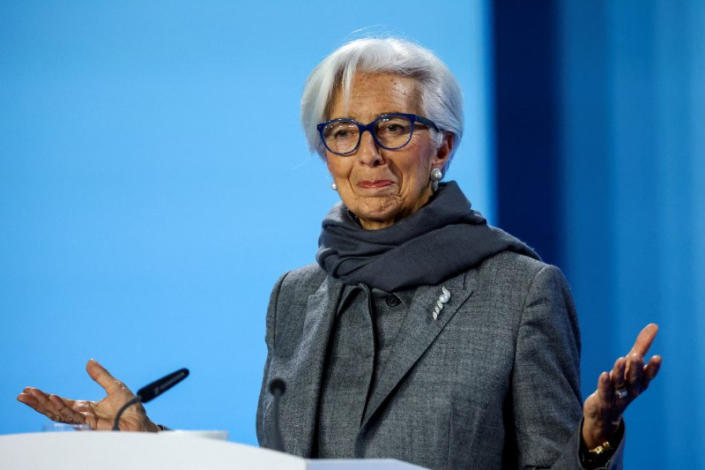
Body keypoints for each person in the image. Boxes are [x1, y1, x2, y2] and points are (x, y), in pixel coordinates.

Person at [18, 38, 661, 470]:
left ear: (441, 148)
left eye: (394, 127)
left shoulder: (520, 292)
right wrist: (148, 447)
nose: (369, 154)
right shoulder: (294, 296)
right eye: (345, 133)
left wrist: (594, 438)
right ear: (327, 156)